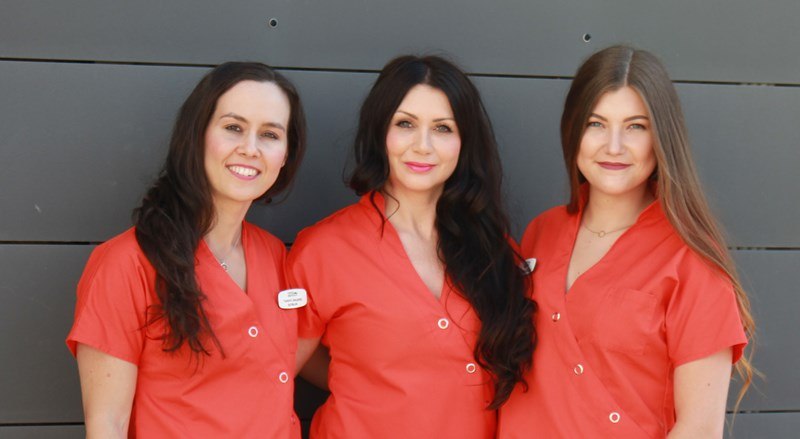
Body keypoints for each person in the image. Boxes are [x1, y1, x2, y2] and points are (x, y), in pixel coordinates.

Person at [498, 45, 755, 438]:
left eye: (636, 126)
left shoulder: (691, 258)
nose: (614, 146)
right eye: (596, 124)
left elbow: (700, 429)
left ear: (662, 137)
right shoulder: (541, 233)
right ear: (573, 129)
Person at [288, 55, 536, 438]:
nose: (423, 145)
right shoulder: (324, 249)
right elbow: (281, 366)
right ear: (379, 131)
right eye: (405, 124)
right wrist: (360, 380)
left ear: (464, 142)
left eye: (442, 128)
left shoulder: (493, 246)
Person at [66, 62, 306, 438]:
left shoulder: (274, 254)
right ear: (196, 135)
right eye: (233, 127)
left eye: (270, 134)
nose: (250, 148)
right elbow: (108, 426)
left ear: (286, 154)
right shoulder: (128, 262)